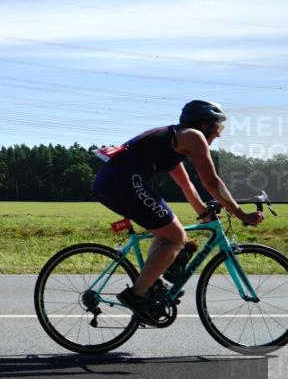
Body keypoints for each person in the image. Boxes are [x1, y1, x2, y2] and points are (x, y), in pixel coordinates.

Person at [92, 100, 264, 323]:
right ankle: (136, 296)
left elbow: (187, 186)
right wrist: (242, 214)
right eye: (218, 127)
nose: (218, 135)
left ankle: (151, 284)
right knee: (176, 237)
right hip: (123, 181)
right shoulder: (194, 136)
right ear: (204, 123)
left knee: (169, 232)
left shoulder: (174, 143)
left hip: (112, 182)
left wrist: (204, 213)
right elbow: (211, 182)